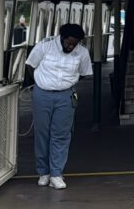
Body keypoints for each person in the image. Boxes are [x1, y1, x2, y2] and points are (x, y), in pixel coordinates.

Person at [26, 22, 92, 190]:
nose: (70, 46)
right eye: (68, 42)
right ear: (61, 38)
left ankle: (56, 173)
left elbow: (85, 73)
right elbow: (30, 65)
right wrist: (39, 82)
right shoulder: (45, 45)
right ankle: (43, 172)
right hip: (42, 94)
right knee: (42, 133)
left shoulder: (82, 53)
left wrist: (68, 82)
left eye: (74, 44)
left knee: (61, 135)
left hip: (65, 95)